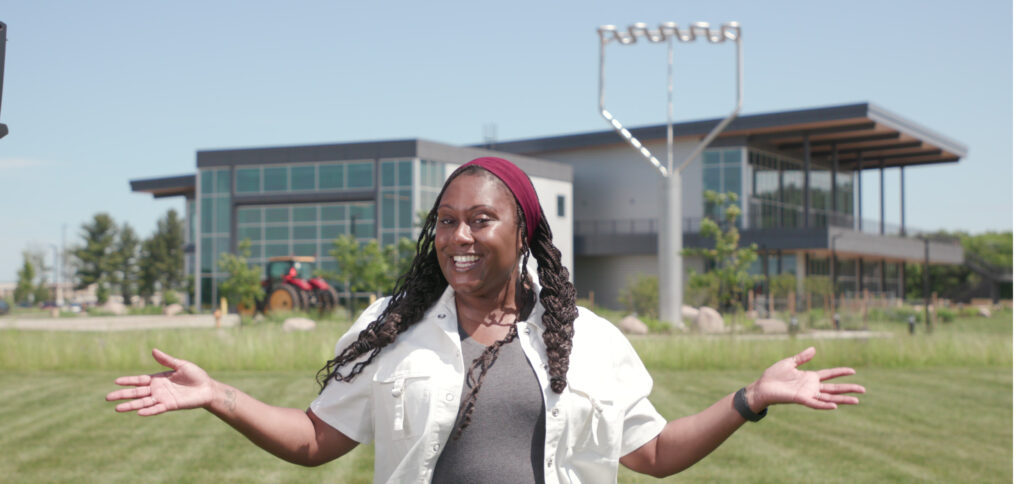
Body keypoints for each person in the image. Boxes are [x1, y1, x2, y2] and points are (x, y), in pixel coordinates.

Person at [107, 157, 865, 483]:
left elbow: (654, 455)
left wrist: (750, 399)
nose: (458, 238)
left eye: (479, 220)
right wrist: (220, 396)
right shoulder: (390, 327)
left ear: (522, 232)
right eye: (444, 222)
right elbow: (315, 441)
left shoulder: (591, 341)